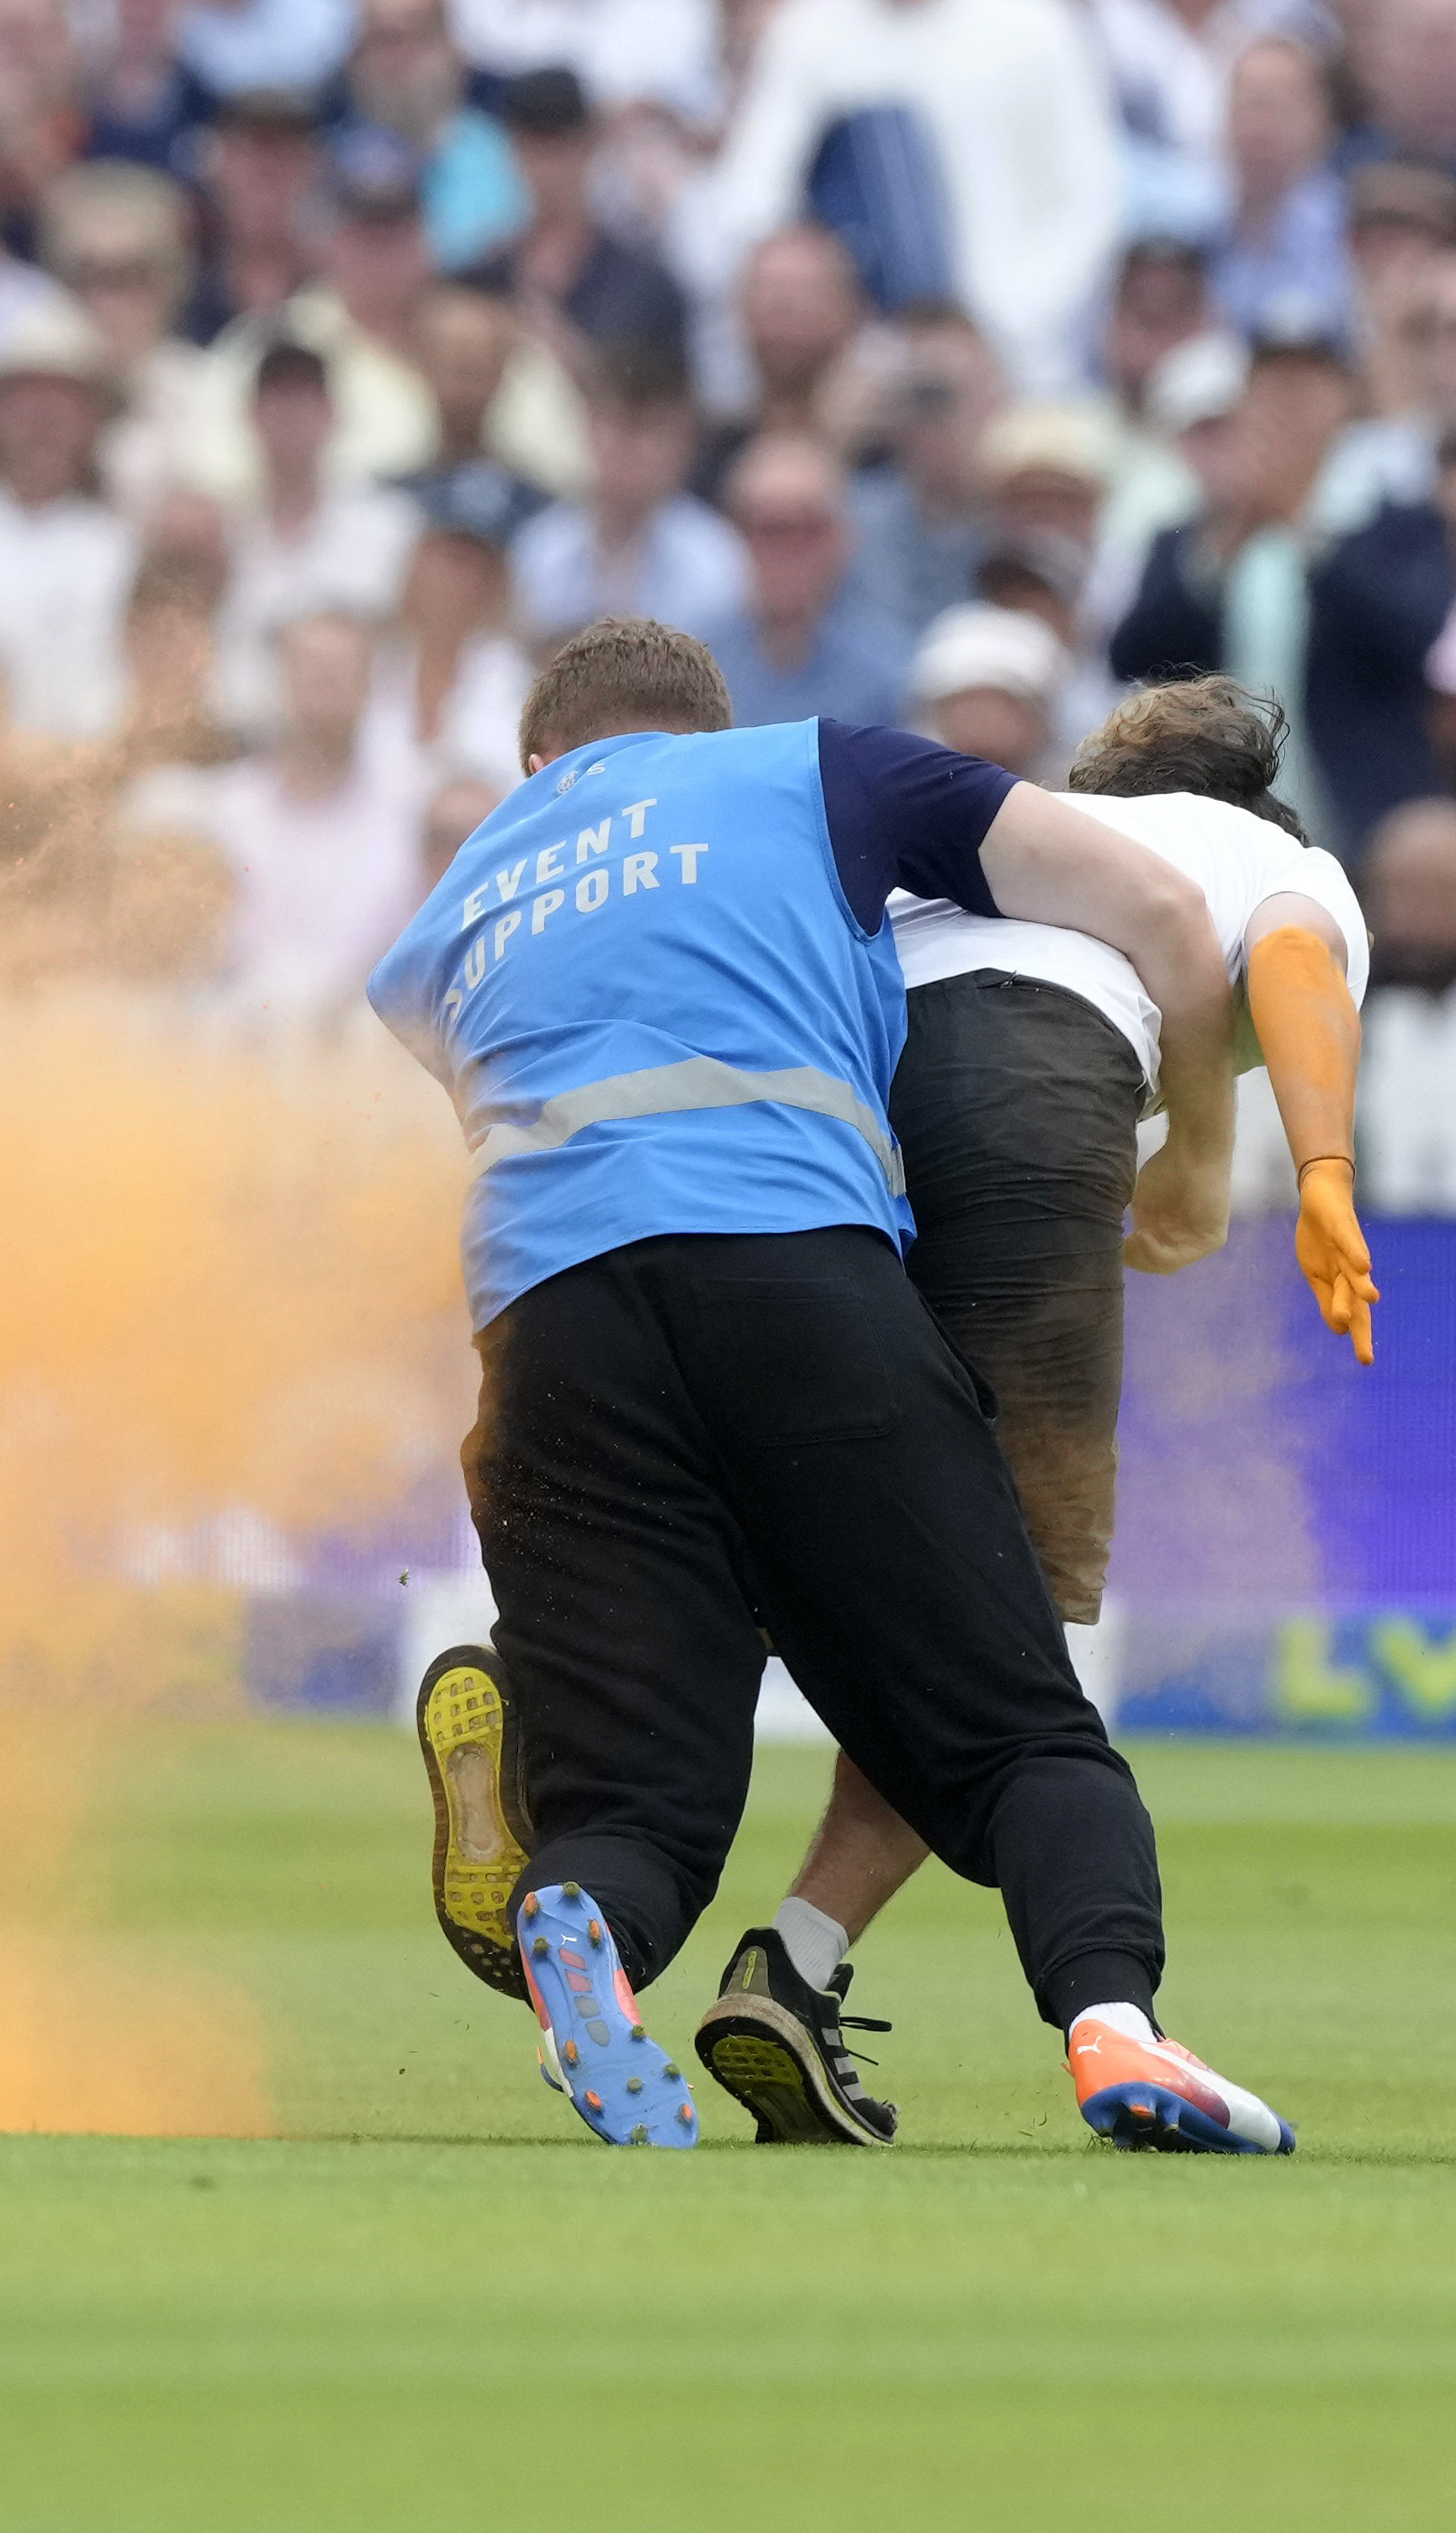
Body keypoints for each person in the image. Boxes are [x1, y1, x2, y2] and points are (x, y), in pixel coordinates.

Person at [363, 612, 1304, 2159]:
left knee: (641, 1803)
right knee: (1018, 1739)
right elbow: (1147, 903)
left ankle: (579, 1918)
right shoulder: (805, 769)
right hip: (793, 1269)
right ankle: (1115, 2033)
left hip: (540, 1333)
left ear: (541, 765)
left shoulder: (455, 895)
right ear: (703, 725)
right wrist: (1197, 1155)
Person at [586, 669, 1383, 2145]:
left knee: (806, 1537)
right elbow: (1290, 962)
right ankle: (852, 1970)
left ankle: (599, 1840)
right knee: (998, 1628)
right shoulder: (1261, 852)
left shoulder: (1008, 833)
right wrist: (1314, 1172)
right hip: (1022, 1093)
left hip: (803, 1126)